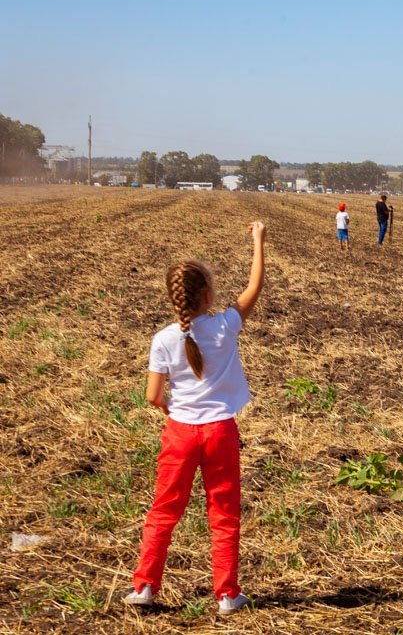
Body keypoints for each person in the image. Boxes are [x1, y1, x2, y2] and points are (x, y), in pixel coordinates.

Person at [124, 221, 266, 615]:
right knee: (223, 514)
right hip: (220, 433)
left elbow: (153, 395)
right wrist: (258, 241)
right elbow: (254, 288)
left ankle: (145, 587)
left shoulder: (164, 339)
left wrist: (170, 410)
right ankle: (226, 595)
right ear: (207, 297)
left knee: (164, 511)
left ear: (175, 300)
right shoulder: (224, 327)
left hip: (180, 435)